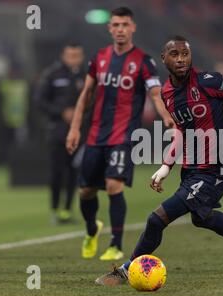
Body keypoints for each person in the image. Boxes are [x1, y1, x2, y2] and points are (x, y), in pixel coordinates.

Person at [94, 35, 223, 286]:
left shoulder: (210, 81)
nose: (181, 59)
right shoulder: (167, 92)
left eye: (185, 54)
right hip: (193, 168)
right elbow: (182, 131)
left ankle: (126, 271)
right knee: (201, 217)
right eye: (175, 54)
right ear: (164, 58)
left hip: (218, 166)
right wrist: (165, 166)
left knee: (157, 218)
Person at [66, 7, 174, 261]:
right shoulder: (99, 58)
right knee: (86, 192)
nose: (120, 29)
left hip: (124, 135)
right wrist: (74, 128)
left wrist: (167, 117)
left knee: (114, 185)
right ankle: (92, 229)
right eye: (116, 25)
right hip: (95, 135)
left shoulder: (143, 61)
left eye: (125, 24)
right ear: (110, 28)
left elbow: (155, 93)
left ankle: (115, 243)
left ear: (132, 27)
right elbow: (86, 94)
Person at [36, 43, 86, 224]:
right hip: (57, 131)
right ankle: (54, 209)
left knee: (74, 171)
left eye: (77, 55)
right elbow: (40, 101)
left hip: (80, 132)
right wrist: (61, 111)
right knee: (57, 171)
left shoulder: (86, 75)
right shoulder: (52, 75)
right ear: (63, 56)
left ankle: (66, 210)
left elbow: (94, 100)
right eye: (70, 55)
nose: (74, 59)